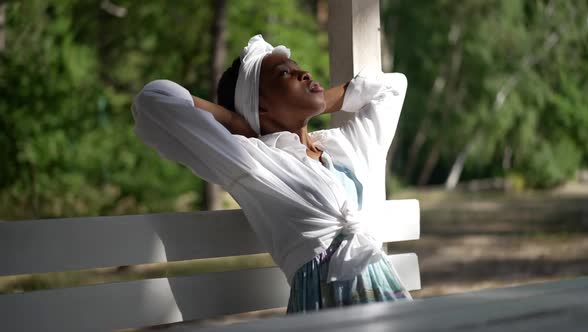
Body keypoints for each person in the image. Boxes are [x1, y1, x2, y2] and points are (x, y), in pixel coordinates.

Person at [131, 34, 411, 313]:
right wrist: (237, 123)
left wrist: (316, 101)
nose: (305, 73)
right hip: (324, 309)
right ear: (260, 105)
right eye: (285, 73)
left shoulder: (346, 147)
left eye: (297, 67)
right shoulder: (254, 159)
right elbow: (154, 99)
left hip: (387, 304)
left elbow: (392, 85)